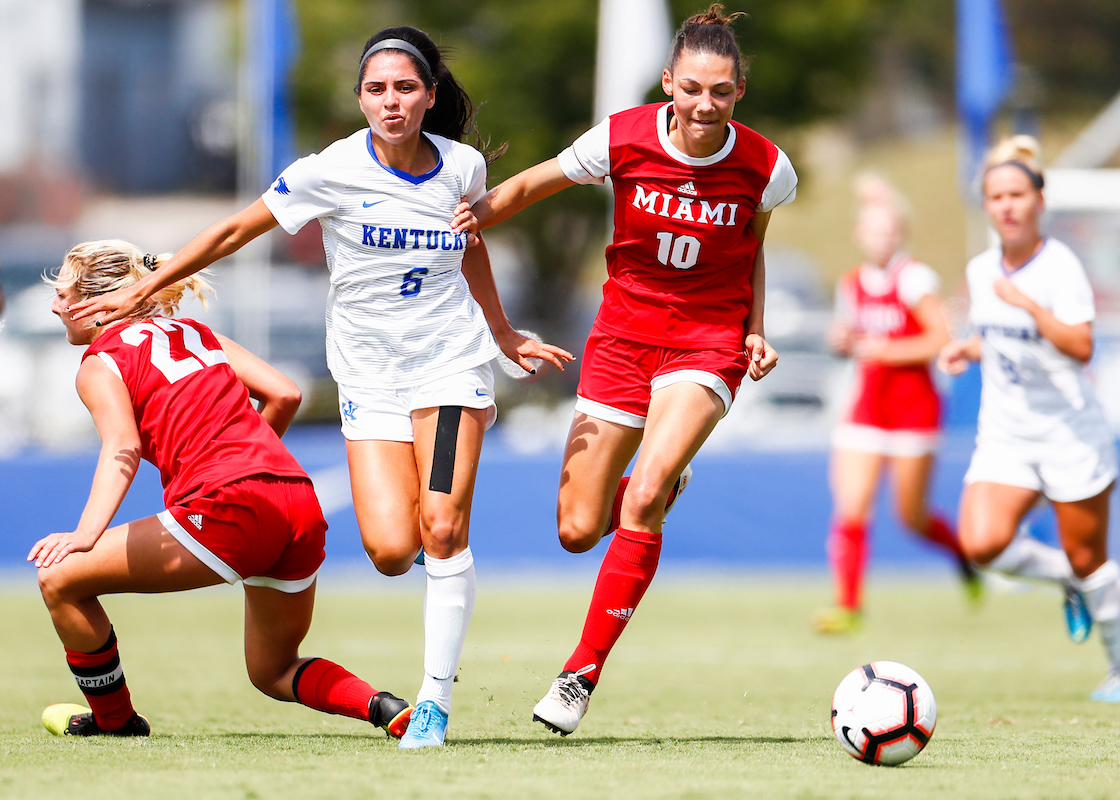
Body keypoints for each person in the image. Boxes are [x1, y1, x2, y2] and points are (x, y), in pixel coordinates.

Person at [67, 26, 572, 748]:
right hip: (369, 375)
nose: (391, 102)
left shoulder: (461, 166)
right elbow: (235, 230)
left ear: (430, 96)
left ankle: (433, 703)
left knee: (441, 528)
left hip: (449, 366)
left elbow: (471, 243)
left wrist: (501, 331)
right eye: (376, 89)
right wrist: (148, 286)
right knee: (391, 550)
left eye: (405, 88)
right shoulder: (329, 170)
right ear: (360, 98)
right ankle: (436, 547)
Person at [471, 4, 797, 735]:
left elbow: (753, 248)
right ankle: (665, 477)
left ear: (740, 90)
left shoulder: (767, 167)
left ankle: (578, 676)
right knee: (577, 529)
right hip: (622, 338)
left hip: (706, 342)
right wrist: (470, 216)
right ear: (668, 83)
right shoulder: (621, 137)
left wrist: (755, 329)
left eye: (721, 91)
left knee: (642, 497)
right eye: (693, 89)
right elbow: (529, 187)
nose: (705, 105)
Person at [32, 240, 413, 739]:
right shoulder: (196, 333)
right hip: (295, 498)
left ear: (97, 305)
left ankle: (115, 721)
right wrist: (248, 466)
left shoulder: (100, 362)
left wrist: (86, 534)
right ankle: (383, 707)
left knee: (59, 579)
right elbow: (285, 393)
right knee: (273, 669)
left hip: (229, 504)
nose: (54, 305)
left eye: (62, 294)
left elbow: (122, 446)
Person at [938, 135, 1120, 702]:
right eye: (996, 196)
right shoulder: (982, 270)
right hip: (1007, 433)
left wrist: (1028, 305)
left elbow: (1081, 345)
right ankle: (1068, 583)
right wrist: (968, 348)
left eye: (1017, 195)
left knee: (1089, 558)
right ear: (986, 206)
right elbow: (999, 337)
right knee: (981, 543)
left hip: (1069, 434)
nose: (1007, 206)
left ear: (1039, 201)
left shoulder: (1061, 268)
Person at [817, 176, 978, 634]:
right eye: (873, 229)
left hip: (913, 410)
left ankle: (963, 556)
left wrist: (882, 349)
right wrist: (841, 341)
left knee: (912, 517)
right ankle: (848, 607)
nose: (881, 237)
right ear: (858, 235)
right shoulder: (851, 284)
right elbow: (853, 340)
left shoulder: (914, 279)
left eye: (889, 229)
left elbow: (941, 338)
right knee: (851, 507)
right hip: (867, 407)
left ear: (901, 233)